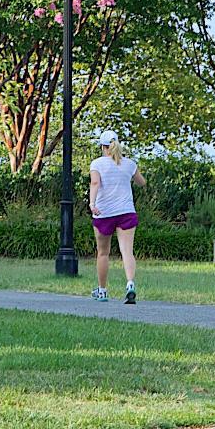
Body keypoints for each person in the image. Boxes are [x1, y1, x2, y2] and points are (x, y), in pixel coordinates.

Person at [89, 130, 145, 304]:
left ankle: (103, 291)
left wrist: (92, 204)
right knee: (127, 251)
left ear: (102, 147)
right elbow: (142, 182)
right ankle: (130, 284)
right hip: (126, 212)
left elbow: (95, 183)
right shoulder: (129, 164)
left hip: (104, 213)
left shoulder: (97, 164)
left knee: (103, 253)